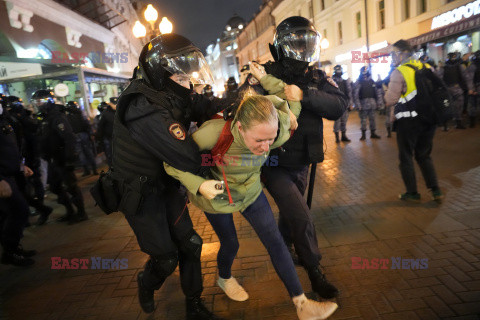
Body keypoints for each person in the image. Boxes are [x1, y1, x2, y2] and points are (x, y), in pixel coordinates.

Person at [164, 92, 338, 320]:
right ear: (240, 128)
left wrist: (291, 103)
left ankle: (302, 304)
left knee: (276, 242)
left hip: (251, 192)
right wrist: (199, 184)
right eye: (259, 140)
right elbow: (170, 162)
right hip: (216, 196)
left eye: (271, 139)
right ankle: (224, 278)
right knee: (231, 243)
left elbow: (288, 109)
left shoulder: (276, 131)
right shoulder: (213, 134)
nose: (266, 147)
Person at [111, 33, 226, 319]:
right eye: (183, 79)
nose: (189, 85)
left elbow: (202, 106)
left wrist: (240, 100)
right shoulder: (142, 106)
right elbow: (185, 154)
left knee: (191, 244)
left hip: (167, 186)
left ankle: (194, 304)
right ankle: (146, 282)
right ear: (161, 73)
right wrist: (215, 164)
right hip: (142, 194)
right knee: (165, 257)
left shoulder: (167, 94)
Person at [259, 16, 346, 300]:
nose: (301, 49)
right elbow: (246, 109)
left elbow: (338, 106)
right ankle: (314, 272)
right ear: (281, 47)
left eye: (306, 42)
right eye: (295, 43)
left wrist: (304, 94)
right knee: (302, 216)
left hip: (303, 162)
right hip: (274, 164)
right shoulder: (266, 76)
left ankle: (284, 252)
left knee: (291, 215)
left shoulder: (316, 78)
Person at [384, 39, 444, 203]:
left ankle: (412, 193)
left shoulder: (399, 72)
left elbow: (390, 99)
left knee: (406, 157)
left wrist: (385, 91)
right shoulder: (426, 67)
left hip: (408, 121)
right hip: (428, 119)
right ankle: (435, 190)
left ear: (403, 53)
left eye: (394, 53)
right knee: (424, 155)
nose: (392, 57)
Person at [32, 90, 88, 224]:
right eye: (36, 102)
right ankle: (69, 211)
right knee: (55, 186)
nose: (37, 104)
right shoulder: (44, 117)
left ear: (48, 101)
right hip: (52, 159)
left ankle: (81, 212)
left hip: (61, 158)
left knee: (71, 186)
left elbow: (69, 138)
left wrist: (69, 159)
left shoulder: (56, 117)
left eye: (40, 101)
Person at [0, 94, 36, 266]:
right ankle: (10, 251)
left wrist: (21, 165)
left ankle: (13, 249)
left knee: (12, 213)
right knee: (19, 210)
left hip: (10, 174)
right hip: (3, 178)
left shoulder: (4, 119)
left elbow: (11, 147)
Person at [437, 51, 470, 130]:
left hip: (453, 89)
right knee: (448, 106)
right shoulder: (444, 68)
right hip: (450, 89)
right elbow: (439, 79)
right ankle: (447, 124)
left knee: (456, 106)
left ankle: (453, 124)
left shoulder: (457, 67)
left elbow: (465, 77)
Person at [65, 101, 97, 176]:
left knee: (81, 154)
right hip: (83, 134)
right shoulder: (81, 114)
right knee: (88, 152)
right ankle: (94, 169)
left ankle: (87, 170)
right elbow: (87, 124)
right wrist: (90, 134)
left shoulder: (69, 116)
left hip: (77, 135)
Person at [354, 66, 384, 140]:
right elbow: (356, 95)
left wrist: (379, 103)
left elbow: (377, 93)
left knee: (372, 119)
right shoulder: (358, 82)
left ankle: (373, 133)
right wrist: (358, 105)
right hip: (363, 105)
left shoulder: (372, 81)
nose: (365, 74)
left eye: (366, 72)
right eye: (363, 72)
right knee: (363, 120)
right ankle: (363, 135)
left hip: (372, 104)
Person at [331, 65, 353, 143]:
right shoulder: (331, 81)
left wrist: (350, 104)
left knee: (344, 121)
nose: (339, 72)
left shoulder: (344, 81)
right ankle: (337, 138)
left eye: (340, 70)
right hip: (336, 104)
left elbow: (349, 93)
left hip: (344, 104)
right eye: (338, 70)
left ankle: (343, 136)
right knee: (337, 121)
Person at [96, 98, 116, 167]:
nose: (115, 105)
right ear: (110, 104)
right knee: (110, 155)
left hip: (119, 138)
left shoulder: (120, 111)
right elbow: (100, 127)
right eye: (113, 103)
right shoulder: (105, 114)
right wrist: (99, 140)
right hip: (109, 138)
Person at [465, 50, 480, 128]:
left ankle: (472, 122)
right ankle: (472, 122)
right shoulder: (473, 66)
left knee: (473, 105)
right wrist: (471, 89)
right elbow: (469, 78)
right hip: (475, 87)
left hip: (475, 87)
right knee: (472, 105)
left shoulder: (472, 65)